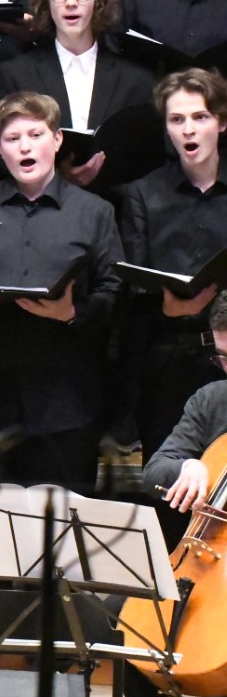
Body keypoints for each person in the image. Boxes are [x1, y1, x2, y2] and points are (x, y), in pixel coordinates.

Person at [0, 92, 123, 490]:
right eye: (12, 139)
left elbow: (115, 294)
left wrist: (72, 313)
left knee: (61, 518)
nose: (25, 147)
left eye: (35, 134)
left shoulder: (95, 211)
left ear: (57, 139)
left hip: (66, 400)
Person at [118, 358, 227, 697]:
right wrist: (187, 467)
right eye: (223, 358)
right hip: (206, 558)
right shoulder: (213, 399)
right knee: (126, 622)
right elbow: (156, 468)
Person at [117, 70, 227, 454]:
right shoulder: (143, 193)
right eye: (176, 119)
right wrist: (167, 308)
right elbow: (132, 285)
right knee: (168, 473)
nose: (188, 129)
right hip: (168, 358)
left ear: (221, 122)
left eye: (200, 117)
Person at [0, 0, 154, 190]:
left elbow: (146, 158)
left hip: (116, 202)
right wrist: (56, 176)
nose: (71, 2)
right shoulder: (15, 74)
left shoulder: (136, 79)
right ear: (46, 2)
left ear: (98, 0)